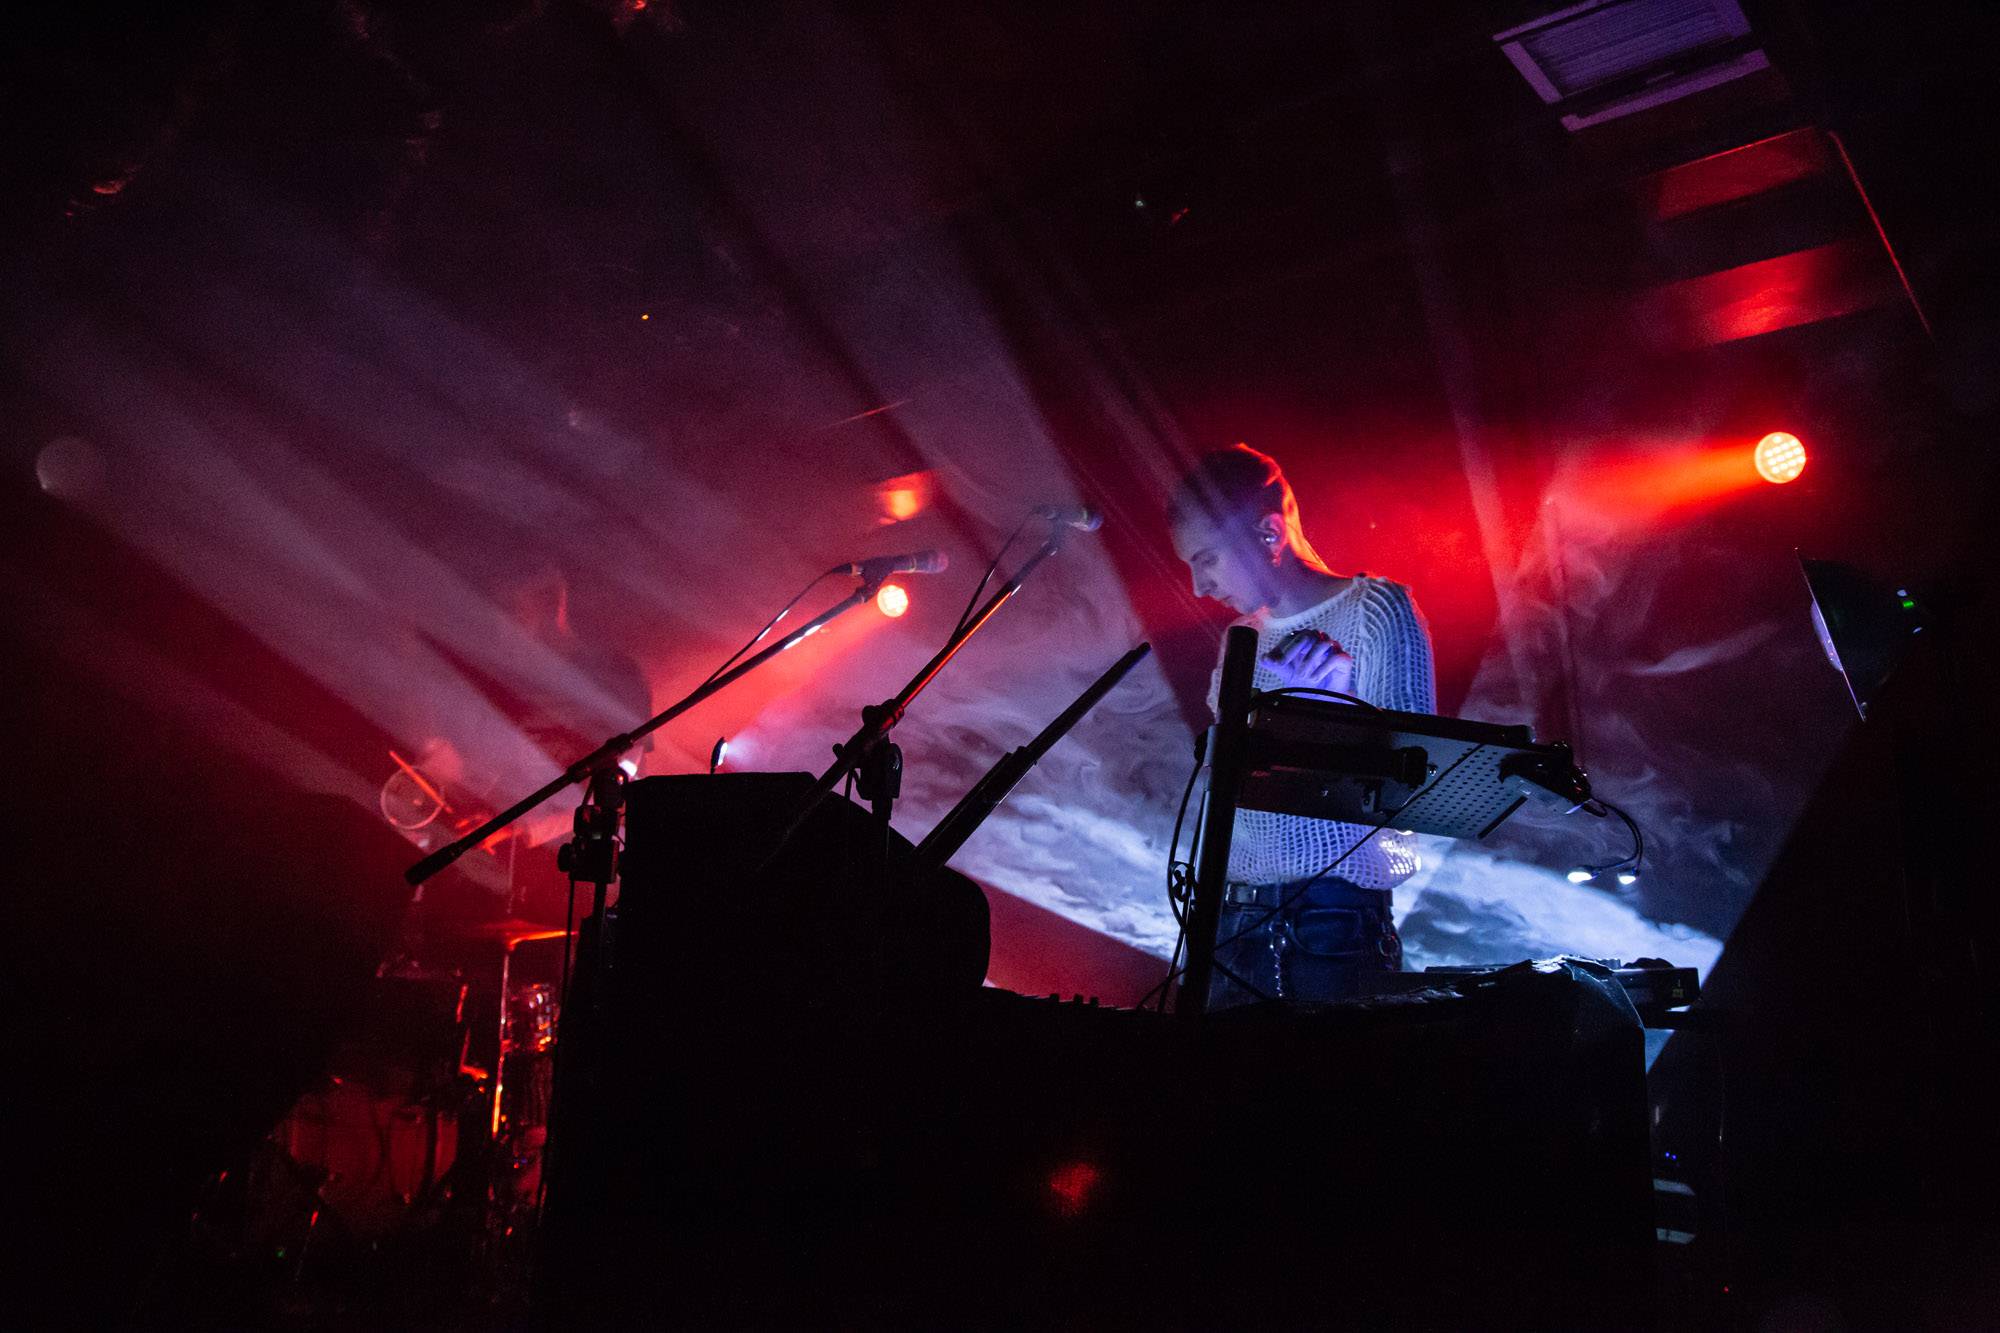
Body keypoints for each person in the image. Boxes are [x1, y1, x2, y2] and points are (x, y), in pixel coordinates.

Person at [1168, 443, 1436, 1007]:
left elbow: (1415, 786)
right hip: (1227, 912)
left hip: (1329, 917)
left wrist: (1332, 712)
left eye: (1207, 559)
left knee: (1315, 1091)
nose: (1198, 586)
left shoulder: (1377, 610)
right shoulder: (1240, 639)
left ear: (1269, 533)